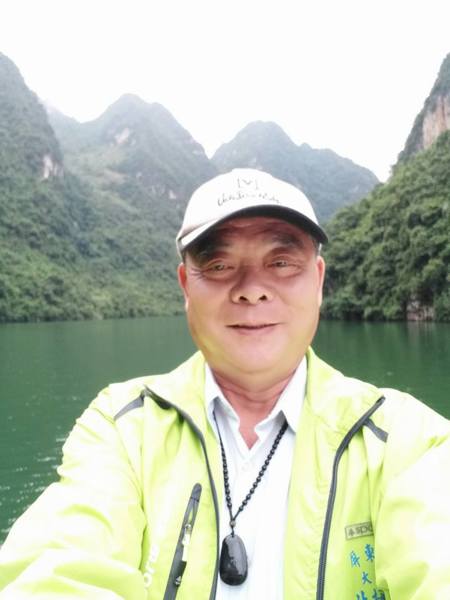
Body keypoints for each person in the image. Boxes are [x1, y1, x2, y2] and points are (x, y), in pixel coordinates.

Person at [0, 168, 449, 600]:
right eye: (218, 264)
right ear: (185, 287)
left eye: (281, 262)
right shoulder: (123, 429)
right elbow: (60, 566)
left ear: (318, 280)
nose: (251, 289)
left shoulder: (406, 440)